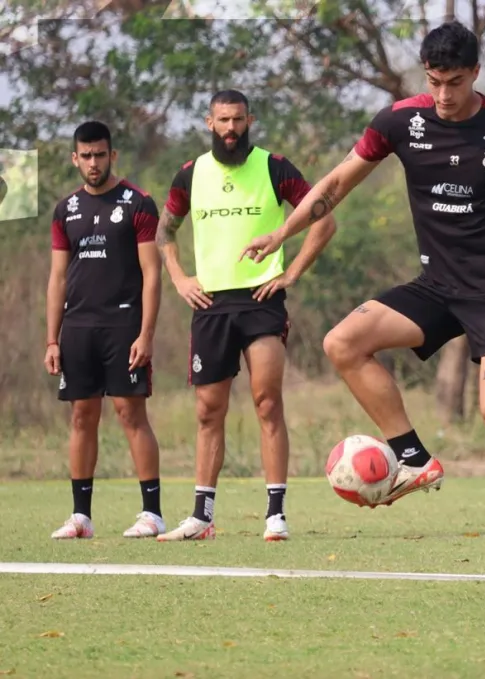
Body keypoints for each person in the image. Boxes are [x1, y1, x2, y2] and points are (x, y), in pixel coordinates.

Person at [240, 22, 485, 593]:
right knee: (342, 342)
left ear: (477, 75)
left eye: (456, 82)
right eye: (435, 81)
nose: (444, 94)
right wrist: (281, 234)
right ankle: (413, 457)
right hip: (436, 287)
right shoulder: (401, 122)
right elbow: (336, 184)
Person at [154, 90, 334, 542]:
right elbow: (164, 231)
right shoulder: (190, 174)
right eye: (222, 120)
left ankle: (275, 514)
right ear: (208, 122)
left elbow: (324, 220)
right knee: (207, 411)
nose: (230, 129)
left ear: (250, 119)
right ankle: (201, 516)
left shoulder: (275, 166)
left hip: (260, 300)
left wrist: (291, 272)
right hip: (210, 304)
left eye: (237, 120)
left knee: (267, 401)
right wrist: (179, 278)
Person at [46, 121, 166, 539]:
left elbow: (153, 274)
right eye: (86, 155)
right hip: (77, 327)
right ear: (74, 158)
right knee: (82, 416)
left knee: (130, 413)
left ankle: (152, 513)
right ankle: (81, 517)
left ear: (112, 156)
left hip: (123, 325)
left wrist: (146, 333)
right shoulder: (65, 210)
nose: (93, 163)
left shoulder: (138, 203)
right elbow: (58, 277)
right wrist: (51, 338)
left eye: (101, 154)